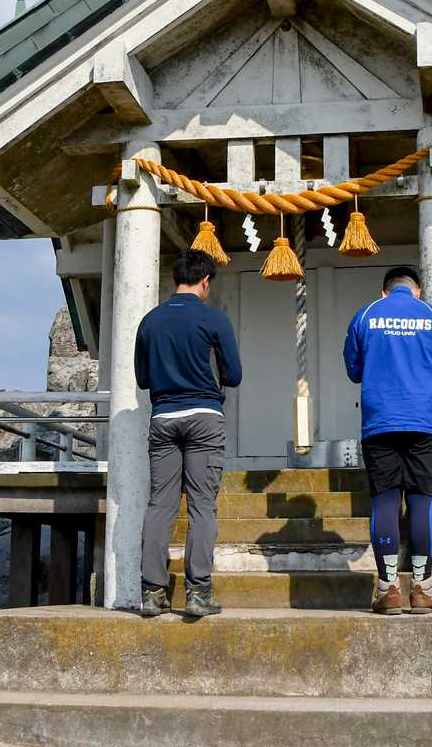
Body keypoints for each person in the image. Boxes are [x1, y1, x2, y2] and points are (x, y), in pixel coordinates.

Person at [343, 264, 432, 615]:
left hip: (380, 423)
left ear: (384, 291)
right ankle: (422, 590)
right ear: (417, 290)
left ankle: (388, 589)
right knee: (422, 503)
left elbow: (354, 370)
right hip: (425, 423)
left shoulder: (365, 315)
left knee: (385, 502)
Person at [136, 248, 243, 618]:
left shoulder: (150, 321)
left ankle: (152, 593)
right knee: (201, 505)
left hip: (163, 417)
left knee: (160, 504)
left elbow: (143, 379)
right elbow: (234, 375)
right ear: (205, 280)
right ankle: (198, 593)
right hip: (204, 417)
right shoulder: (214, 319)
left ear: (175, 279)